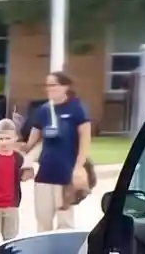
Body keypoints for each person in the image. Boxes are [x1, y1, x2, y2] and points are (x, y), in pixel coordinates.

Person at [22, 68, 93, 230]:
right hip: (45, 172)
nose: (49, 89)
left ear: (65, 86)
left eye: (53, 85)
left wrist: (79, 166)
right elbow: (33, 137)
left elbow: (85, 139)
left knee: (65, 221)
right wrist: (23, 149)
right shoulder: (44, 110)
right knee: (43, 219)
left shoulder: (76, 108)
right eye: (47, 85)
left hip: (66, 173)